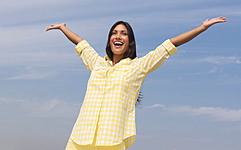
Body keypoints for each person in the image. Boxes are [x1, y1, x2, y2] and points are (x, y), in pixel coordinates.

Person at [46, 16, 227, 150]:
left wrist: (202, 28)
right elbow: (81, 43)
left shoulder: (139, 66)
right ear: (109, 39)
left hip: (111, 140)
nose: (118, 36)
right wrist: (63, 28)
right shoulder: (98, 63)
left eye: (124, 33)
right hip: (79, 137)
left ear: (129, 41)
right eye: (114, 33)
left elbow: (169, 45)